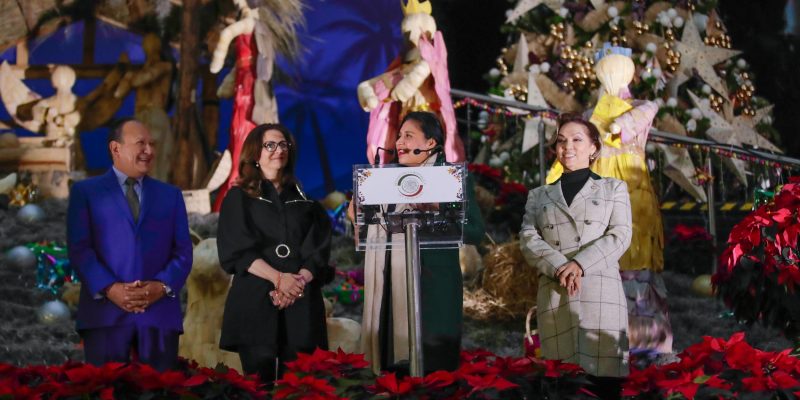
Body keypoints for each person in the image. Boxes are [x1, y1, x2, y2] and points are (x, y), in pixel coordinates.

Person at [358, 111, 484, 375]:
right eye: (399, 136)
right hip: (394, 286)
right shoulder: (387, 180)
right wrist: (357, 214)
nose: (399, 143)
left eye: (408, 136)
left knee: (436, 370)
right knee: (397, 369)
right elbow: (371, 226)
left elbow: (474, 230)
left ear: (430, 143)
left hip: (435, 288)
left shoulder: (451, 178)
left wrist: (441, 207)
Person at [520, 113, 632, 399]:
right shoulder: (539, 195)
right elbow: (528, 238)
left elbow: (620, 235)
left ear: (594, 147)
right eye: (561, 141)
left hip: (599, 290)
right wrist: (561, 266)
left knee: (603, 381)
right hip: (556, 290)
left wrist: (580, 264)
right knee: (562, 382)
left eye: (576, 139)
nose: (567, 146)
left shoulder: (613, 188)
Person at [67, 118, 192, 371]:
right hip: (104, 315)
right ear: (116, 148)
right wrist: (111, 289)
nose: (150, 150)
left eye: (152, 144)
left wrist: (160, 286)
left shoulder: (171, 195)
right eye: (141, 143)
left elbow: (183, 252)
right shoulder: (86, 192)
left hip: (159, 316)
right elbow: (80, 248)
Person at [217, 123, 331, 384]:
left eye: (283, 145)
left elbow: (318, 250)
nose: (278, 150)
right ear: (255, 153)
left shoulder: (307, 203)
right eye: (269, 145)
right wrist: (280, 279)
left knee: (300, 387)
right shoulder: (238, 198)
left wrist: (295, 284)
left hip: (301, 301)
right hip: (256, 299)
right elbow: (237, 251)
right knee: (259, 386)